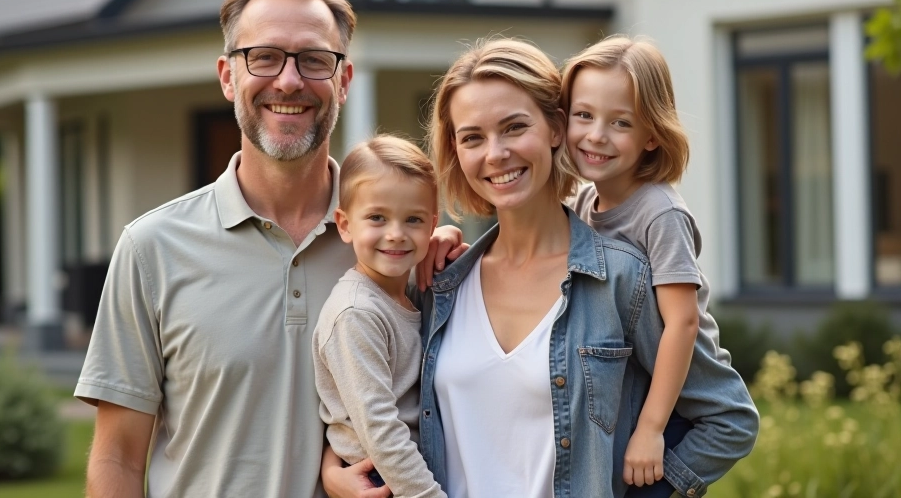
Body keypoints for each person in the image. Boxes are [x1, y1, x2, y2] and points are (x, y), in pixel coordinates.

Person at [74, 0, 460, 498]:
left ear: (343, 81)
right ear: (228, 75)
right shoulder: (151, 248)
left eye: (314, 60)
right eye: (264, 56)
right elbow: (117, 458)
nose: (289, 80)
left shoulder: (399, 251)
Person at [414, 38, 758, 497]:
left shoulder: (628, 273)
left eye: (514, 127)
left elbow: (726, 417)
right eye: (472, 137)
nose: (495, 153)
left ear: (554, 128)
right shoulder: (439, 282)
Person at [562, 35, 732, 497]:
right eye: (584, 115)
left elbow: (682, 322)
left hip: (684, 383)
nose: (596, 135)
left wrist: (652, 429)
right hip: (635, 375)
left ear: (652, 135)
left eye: (620, 122)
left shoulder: (659, 212)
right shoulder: (582, 201)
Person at [313, 135, 446, 498]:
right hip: (381, 481)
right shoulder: (357, 313)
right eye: (377, 217)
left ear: (431, 224)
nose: (396, 234)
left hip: (407, 471)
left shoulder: (407, 296)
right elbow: (380, 430)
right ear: (344, 224)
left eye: (413, 219)